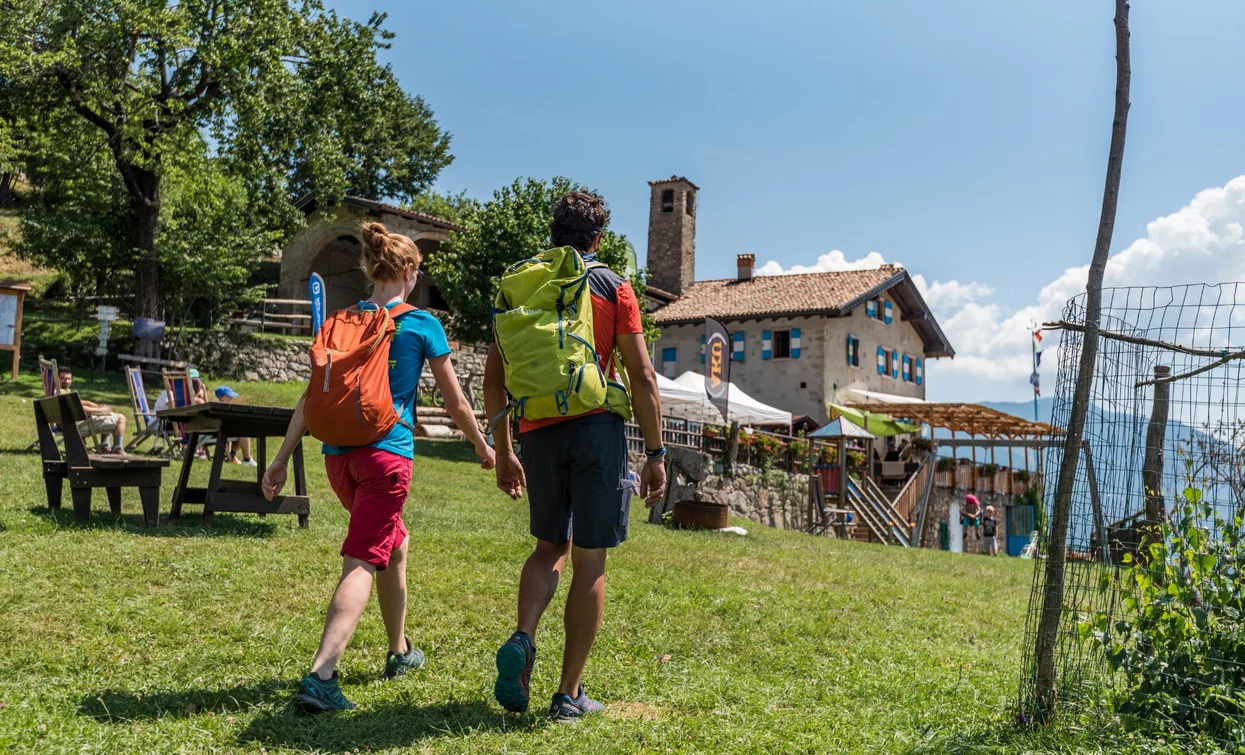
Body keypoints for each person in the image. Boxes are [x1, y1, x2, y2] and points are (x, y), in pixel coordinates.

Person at [262, 221, 495, 714]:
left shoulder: (341, 320)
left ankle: (399, 650)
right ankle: (323, 673)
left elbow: (310, 398)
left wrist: (282, 458)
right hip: (386, 456)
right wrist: (482, 446)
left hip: (338, 458)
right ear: (409, 271)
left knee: (396, 541)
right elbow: (454, 403)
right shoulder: (421, 323)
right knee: (363, 559)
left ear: (372, 270)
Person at [484, 190, 667, 721]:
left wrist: (503, 451)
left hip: (537, 431)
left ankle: (523, 637)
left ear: (553, 235)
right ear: (599, 238)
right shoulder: (614, 285)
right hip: (596, 430)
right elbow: (643, 377)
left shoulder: (525, 285)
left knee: (548, 548)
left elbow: (494, 382)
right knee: (590, 558)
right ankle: (568, 693)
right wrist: (655, 453)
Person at [57, 366, 127, 453]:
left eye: (68, 379)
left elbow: (77, 402)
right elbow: (78, 407)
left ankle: (104, 446)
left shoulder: (59, 391)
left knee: (109, 415)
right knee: (120, 418)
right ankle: (117, 450)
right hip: (76, 426)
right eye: (62, 378)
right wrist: (100, 410)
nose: (66, 381)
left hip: (67, 424)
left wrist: (91, 404)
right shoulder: (61, 392)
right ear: (56, 379)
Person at [212, 386, 257, 466]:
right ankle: (247, 459)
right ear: (224, 397)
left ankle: (232, 455)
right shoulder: (223, 407)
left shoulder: (217, 406)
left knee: (242, 431)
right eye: (229, 396)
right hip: (221, 430)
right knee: (245, 433)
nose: (231, 398)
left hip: (220, 429)